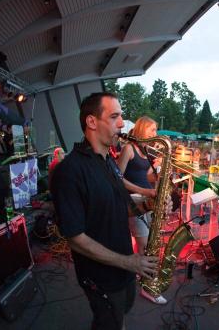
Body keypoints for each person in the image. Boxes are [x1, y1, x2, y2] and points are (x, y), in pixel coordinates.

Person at [51, 93, 160, 330]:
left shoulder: (108, 162)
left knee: (119, 317)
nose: (121, 123)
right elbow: (75, 239)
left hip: (124, 268)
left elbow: (120, 206)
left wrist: (149, 205)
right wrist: (129, 262)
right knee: (108, 322)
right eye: (114, 116)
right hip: (102, 276)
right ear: (91, 122)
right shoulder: (69, 171)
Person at [116, 116, 167, 305]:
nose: (156, 134)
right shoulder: (129, 148)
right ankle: (148, 287)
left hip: (147, 198)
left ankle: (143, 274)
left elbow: (144, 175)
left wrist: (160, 173)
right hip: (134, 200)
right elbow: (117, 178)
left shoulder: (145, 150)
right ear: (142, 129)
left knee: (149, 241)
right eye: (153, 129)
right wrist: (144, 190)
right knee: (145, 244)